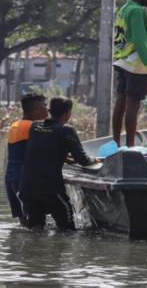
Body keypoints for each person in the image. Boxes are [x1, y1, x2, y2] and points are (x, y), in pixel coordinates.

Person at [18, 97, 97, 231]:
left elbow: (43, 148)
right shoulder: (66, 130)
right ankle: (62, 251)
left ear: (50, 110)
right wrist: (94, 160)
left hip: (27, 186)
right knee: (67, 229)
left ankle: (33, 251)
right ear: (68, 113)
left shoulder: (35, 126)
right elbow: (83, 159)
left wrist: (65, 156)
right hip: (49, 188)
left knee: (36, 228)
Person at [112, 0, 147, 147]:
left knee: (121, 101)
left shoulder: (123, 9)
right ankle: (130, 147)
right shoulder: (138, 11)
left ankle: (116, 143)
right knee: (133, 103)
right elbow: (140, 41)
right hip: (136, 63)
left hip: (122, 60)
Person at [4, 92, 49, 226]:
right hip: (26, 181)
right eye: (45, 105)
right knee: (37, 226)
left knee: (24, 225)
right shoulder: (34, 127)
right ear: (37, 109)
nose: (48, 109)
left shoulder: (15, 125)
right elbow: (48, 152)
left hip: (11, 179)